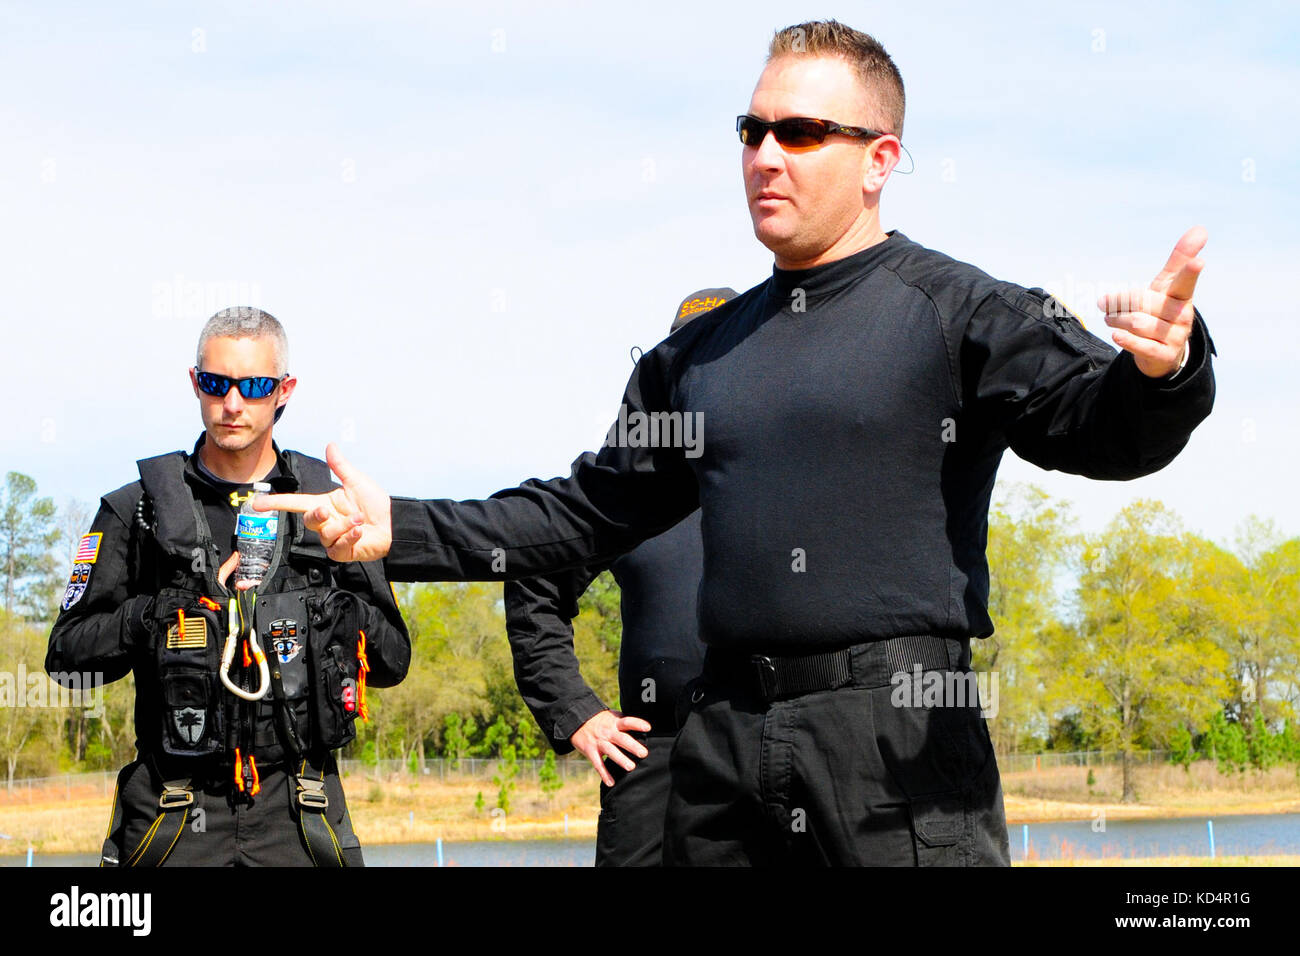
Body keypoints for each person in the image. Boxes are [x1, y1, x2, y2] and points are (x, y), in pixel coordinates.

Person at [264, 21, 1216, 865]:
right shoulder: (695, 358)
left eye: (800, 133)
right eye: (751, 130)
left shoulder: (960, 311)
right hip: (718, 743)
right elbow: (585, 513)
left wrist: (1164, 373)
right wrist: (405, 530)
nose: (765, 155)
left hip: (893, 739)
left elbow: (1105, 431)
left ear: (880, 159)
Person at [46, 307, 410, 867]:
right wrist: (156, 616)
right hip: (173, 810)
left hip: (300, 808)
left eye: (254, 386)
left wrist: (329, 613)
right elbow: (67, 660)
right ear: (195, 382)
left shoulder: (327, 506)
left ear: (284, 390)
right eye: (216, 384)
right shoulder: (135, 510)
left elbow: (392, 662)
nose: (232, 404)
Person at [505, 287, 733, 867]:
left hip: (765, 749)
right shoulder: (623, 486)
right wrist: (576, 710)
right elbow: (536, 582)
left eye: (717, 358)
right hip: (646, 758)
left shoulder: (791, 474)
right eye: (683, 358)